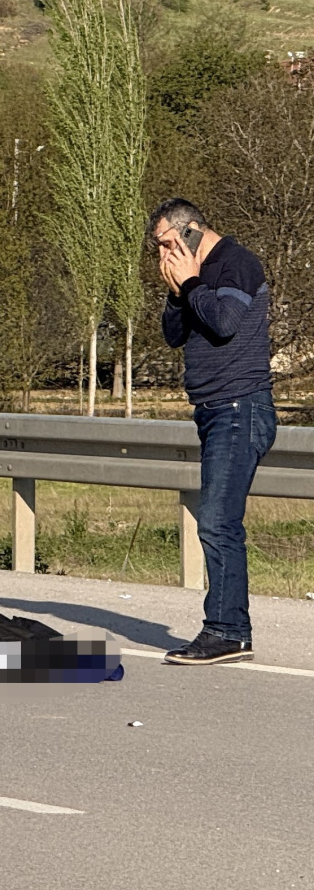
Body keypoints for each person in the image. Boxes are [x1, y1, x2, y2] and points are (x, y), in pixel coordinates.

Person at [153, 198, 276, 665]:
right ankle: (230, 629)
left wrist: (190, 282)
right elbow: (174, 334)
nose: (163, 255)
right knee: (218, 520)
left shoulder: (236, 264)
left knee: (217, 521)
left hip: (240, 408)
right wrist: (175, 293)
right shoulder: (195, 278)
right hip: (212, 410)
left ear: (190, 231)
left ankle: (227, 631)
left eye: (166, 244)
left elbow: (224, 323)